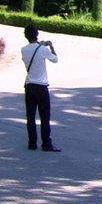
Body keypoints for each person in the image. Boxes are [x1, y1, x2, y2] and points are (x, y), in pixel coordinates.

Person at [22, 24, 61, 152]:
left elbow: (34, 48)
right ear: (37, 34)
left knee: (30, 115)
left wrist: (41, 45)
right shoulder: (43, 49)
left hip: (29, 85)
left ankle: (32, 142)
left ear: (26, 36)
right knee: (44, 116)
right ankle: (46, 144)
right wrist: (51, 47)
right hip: (41, 86)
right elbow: (55, 60)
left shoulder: (24, 49)